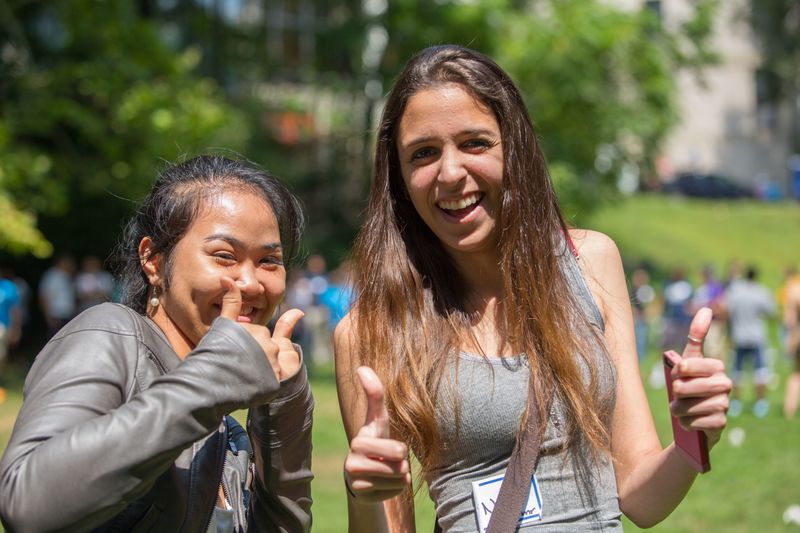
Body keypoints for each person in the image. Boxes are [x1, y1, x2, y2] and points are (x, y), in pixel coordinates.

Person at [334, 45, 731, 532]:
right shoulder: (371, 330)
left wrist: (694, 438)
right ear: (399, 177)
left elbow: (639, 499)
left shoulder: (590, 263)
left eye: (475, 143)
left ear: (514, 148)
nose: (451, 172)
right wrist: (363, 492)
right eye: (424, 153)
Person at [0, 155, 314, 531]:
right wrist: (215, 378)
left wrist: (285, 406)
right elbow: (28, 504)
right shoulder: (111, 334)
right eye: (225, 256)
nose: (250, 283)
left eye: (269, 260)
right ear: (152, 259)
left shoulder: (228, 431)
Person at [722, 265, 776, 418]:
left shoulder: (736, 292)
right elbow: (771, 312)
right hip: (756, 336)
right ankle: (760, 404)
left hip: (739, 335)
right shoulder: (761, 292)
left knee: (737, 372)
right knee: (760, 371)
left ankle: (736, 403)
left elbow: (727, 311)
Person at [38, 253, 77, 340]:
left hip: (67, 314)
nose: (71, 265)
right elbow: (44, 296)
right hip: (56, 314)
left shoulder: (67, 276)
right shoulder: (52, 276)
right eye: (69, 263)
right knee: (55, 341)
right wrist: (48, 316)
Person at [782, 267, 800, 419]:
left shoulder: (794, 290)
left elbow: (790, 320)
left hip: (798, 337)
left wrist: (791, 340)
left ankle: (790, 411)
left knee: (796, 373)